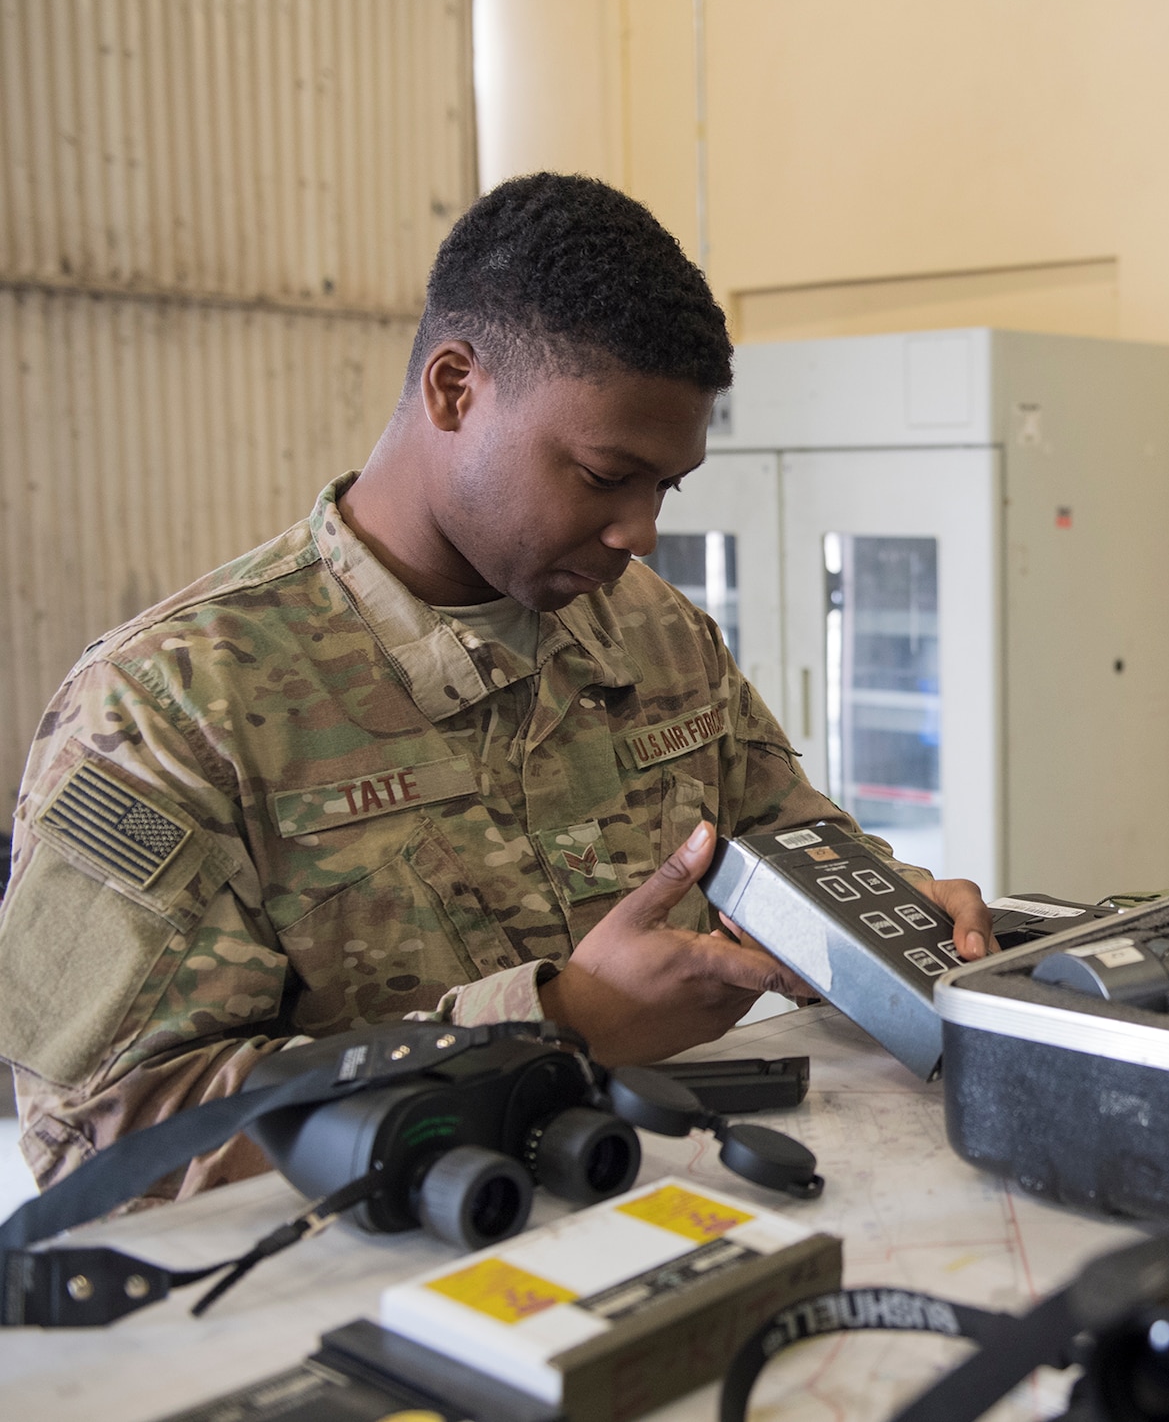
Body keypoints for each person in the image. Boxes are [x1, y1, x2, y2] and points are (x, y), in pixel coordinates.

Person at [0, 174, 993, 1200]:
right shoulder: (164, 705)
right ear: (454, 388)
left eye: (665, 487)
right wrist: (552, 1029)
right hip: (379, 1295)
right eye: (608, 475)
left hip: (679, 1213)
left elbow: (794, 853)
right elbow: (100, 1143)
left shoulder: (653, 631)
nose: (640, 531)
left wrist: (891, 922)